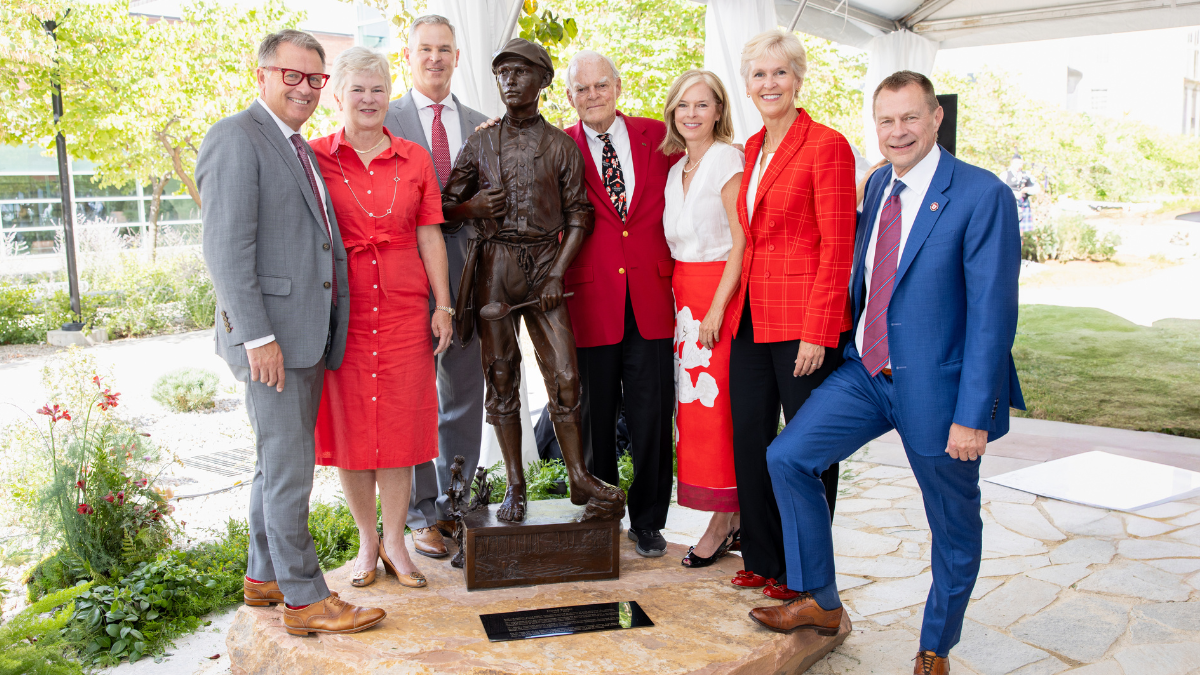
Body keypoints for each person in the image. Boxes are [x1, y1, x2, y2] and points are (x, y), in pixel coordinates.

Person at [748, 71, 1024, 675]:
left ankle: (935, 648)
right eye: (886, 120)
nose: (897, 131)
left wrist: (973, 416)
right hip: (866, 374)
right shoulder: (876, 186)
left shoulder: (982, 195)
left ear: (934, 120)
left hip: (939, 391)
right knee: (788, 456)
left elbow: (993, 319)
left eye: (909, 118)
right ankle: (819, 600)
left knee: (952, 526)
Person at [198, 29, 385, 636]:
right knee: (289, 467)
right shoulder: (236, 138)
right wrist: (258, 339)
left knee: (273, 462)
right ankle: (305, 601)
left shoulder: (294, 144)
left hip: (300, 335)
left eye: (314, 79)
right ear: (263, 75)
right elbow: (227, 252)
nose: (304, 89)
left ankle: (264, 577)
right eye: (292, 76)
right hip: (271, 341)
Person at [442, 38, 625, 524]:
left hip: (545, 265)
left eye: (520, 73)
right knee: (500, 377)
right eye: (502, 73)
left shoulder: (562, 146)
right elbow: (442, 208)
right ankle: (515, 484)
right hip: (495, 269)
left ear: (543, 81)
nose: (509, 81)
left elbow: (580, 215)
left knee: (566, 378)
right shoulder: (480, 141)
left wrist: (557, 272)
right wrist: (471, 208)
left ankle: (579, 477)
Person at [308, 46, 450, 590]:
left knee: (398, 428)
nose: (369, 99)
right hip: (341, 313)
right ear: (337, 96)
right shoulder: (315, 156)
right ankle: (367, 544)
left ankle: (396, 542)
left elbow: (429, 233)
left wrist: (444, 304)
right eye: (357, 89)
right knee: (350, 431)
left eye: (377, 89)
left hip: (403, 310)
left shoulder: (415, 158)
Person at [727, 29, 856, 601]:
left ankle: (804, 572)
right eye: (759, 74)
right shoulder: (752, 149)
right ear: (747, 84)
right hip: (750, 319)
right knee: (750, 439)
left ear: (798, 79)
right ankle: (762, 557)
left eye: (779, 73)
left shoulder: (827, 144)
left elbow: (838, 247)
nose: (769, 83)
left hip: (803, 322)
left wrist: (819, 330)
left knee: (806, 449)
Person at [563, 51, 679, 557]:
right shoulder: (559, 147)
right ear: (570, 98)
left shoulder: (661, 136)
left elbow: (711, 161)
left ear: (617, 87)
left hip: (653, 296)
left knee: (654, 413)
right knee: (594, 415)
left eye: (600, 86)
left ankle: (649, 519)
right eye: (582, 89)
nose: (593, 96)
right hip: (589, 300)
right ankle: (601, 510)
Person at [383, 14, 490, 560]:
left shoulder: (480, 123)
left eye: (444, 49)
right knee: (411, 397)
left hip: (468, 276)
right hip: (403, 275)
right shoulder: (385, 118)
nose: (435, 58)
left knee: (464, 395)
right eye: (425, 49)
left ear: (455, 56)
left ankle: (456, 504)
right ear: (409, 55)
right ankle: (425, 513)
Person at [659, 69, 745, 568]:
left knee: (718, 413)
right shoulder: (676, 170)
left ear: (718, 110)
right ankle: (724, 513)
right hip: (683, 302)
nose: (691, 114)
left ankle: (724, 519)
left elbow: (741, 242)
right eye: (683, 105)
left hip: (718, 299)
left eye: (702, 104)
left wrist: (716, 309)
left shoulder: (726, 160)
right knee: (692, 413)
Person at [1001, 153, 1038, 232]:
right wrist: (1012, 193)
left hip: (1023, 204)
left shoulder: (1027, 175)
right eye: (1017, 163)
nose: (1019, 165)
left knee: (1021, 231)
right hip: (1009, 204)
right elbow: (1001, 190)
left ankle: (1020, 244)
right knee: (1008, 229)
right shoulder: (1005, 175)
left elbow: (1036, 188)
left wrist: (1027, 190)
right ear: (1012, 163)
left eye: (1021, 163)